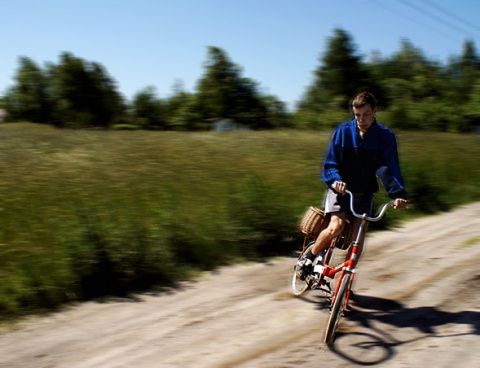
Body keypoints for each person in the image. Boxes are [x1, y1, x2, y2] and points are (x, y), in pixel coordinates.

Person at [296, 91, 408, 280]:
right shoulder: (343, 131)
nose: (361, 119)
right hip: (341, 189)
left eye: (366, 114)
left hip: (364, 192)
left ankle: (344, 282)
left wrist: (398, 194)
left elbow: (390, 167)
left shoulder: (385, 137)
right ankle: (308, 257)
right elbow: (330, 163)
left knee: (358, 238)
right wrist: (335, 180)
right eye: (357, 115)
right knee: (336, 227)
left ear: (375, 110)